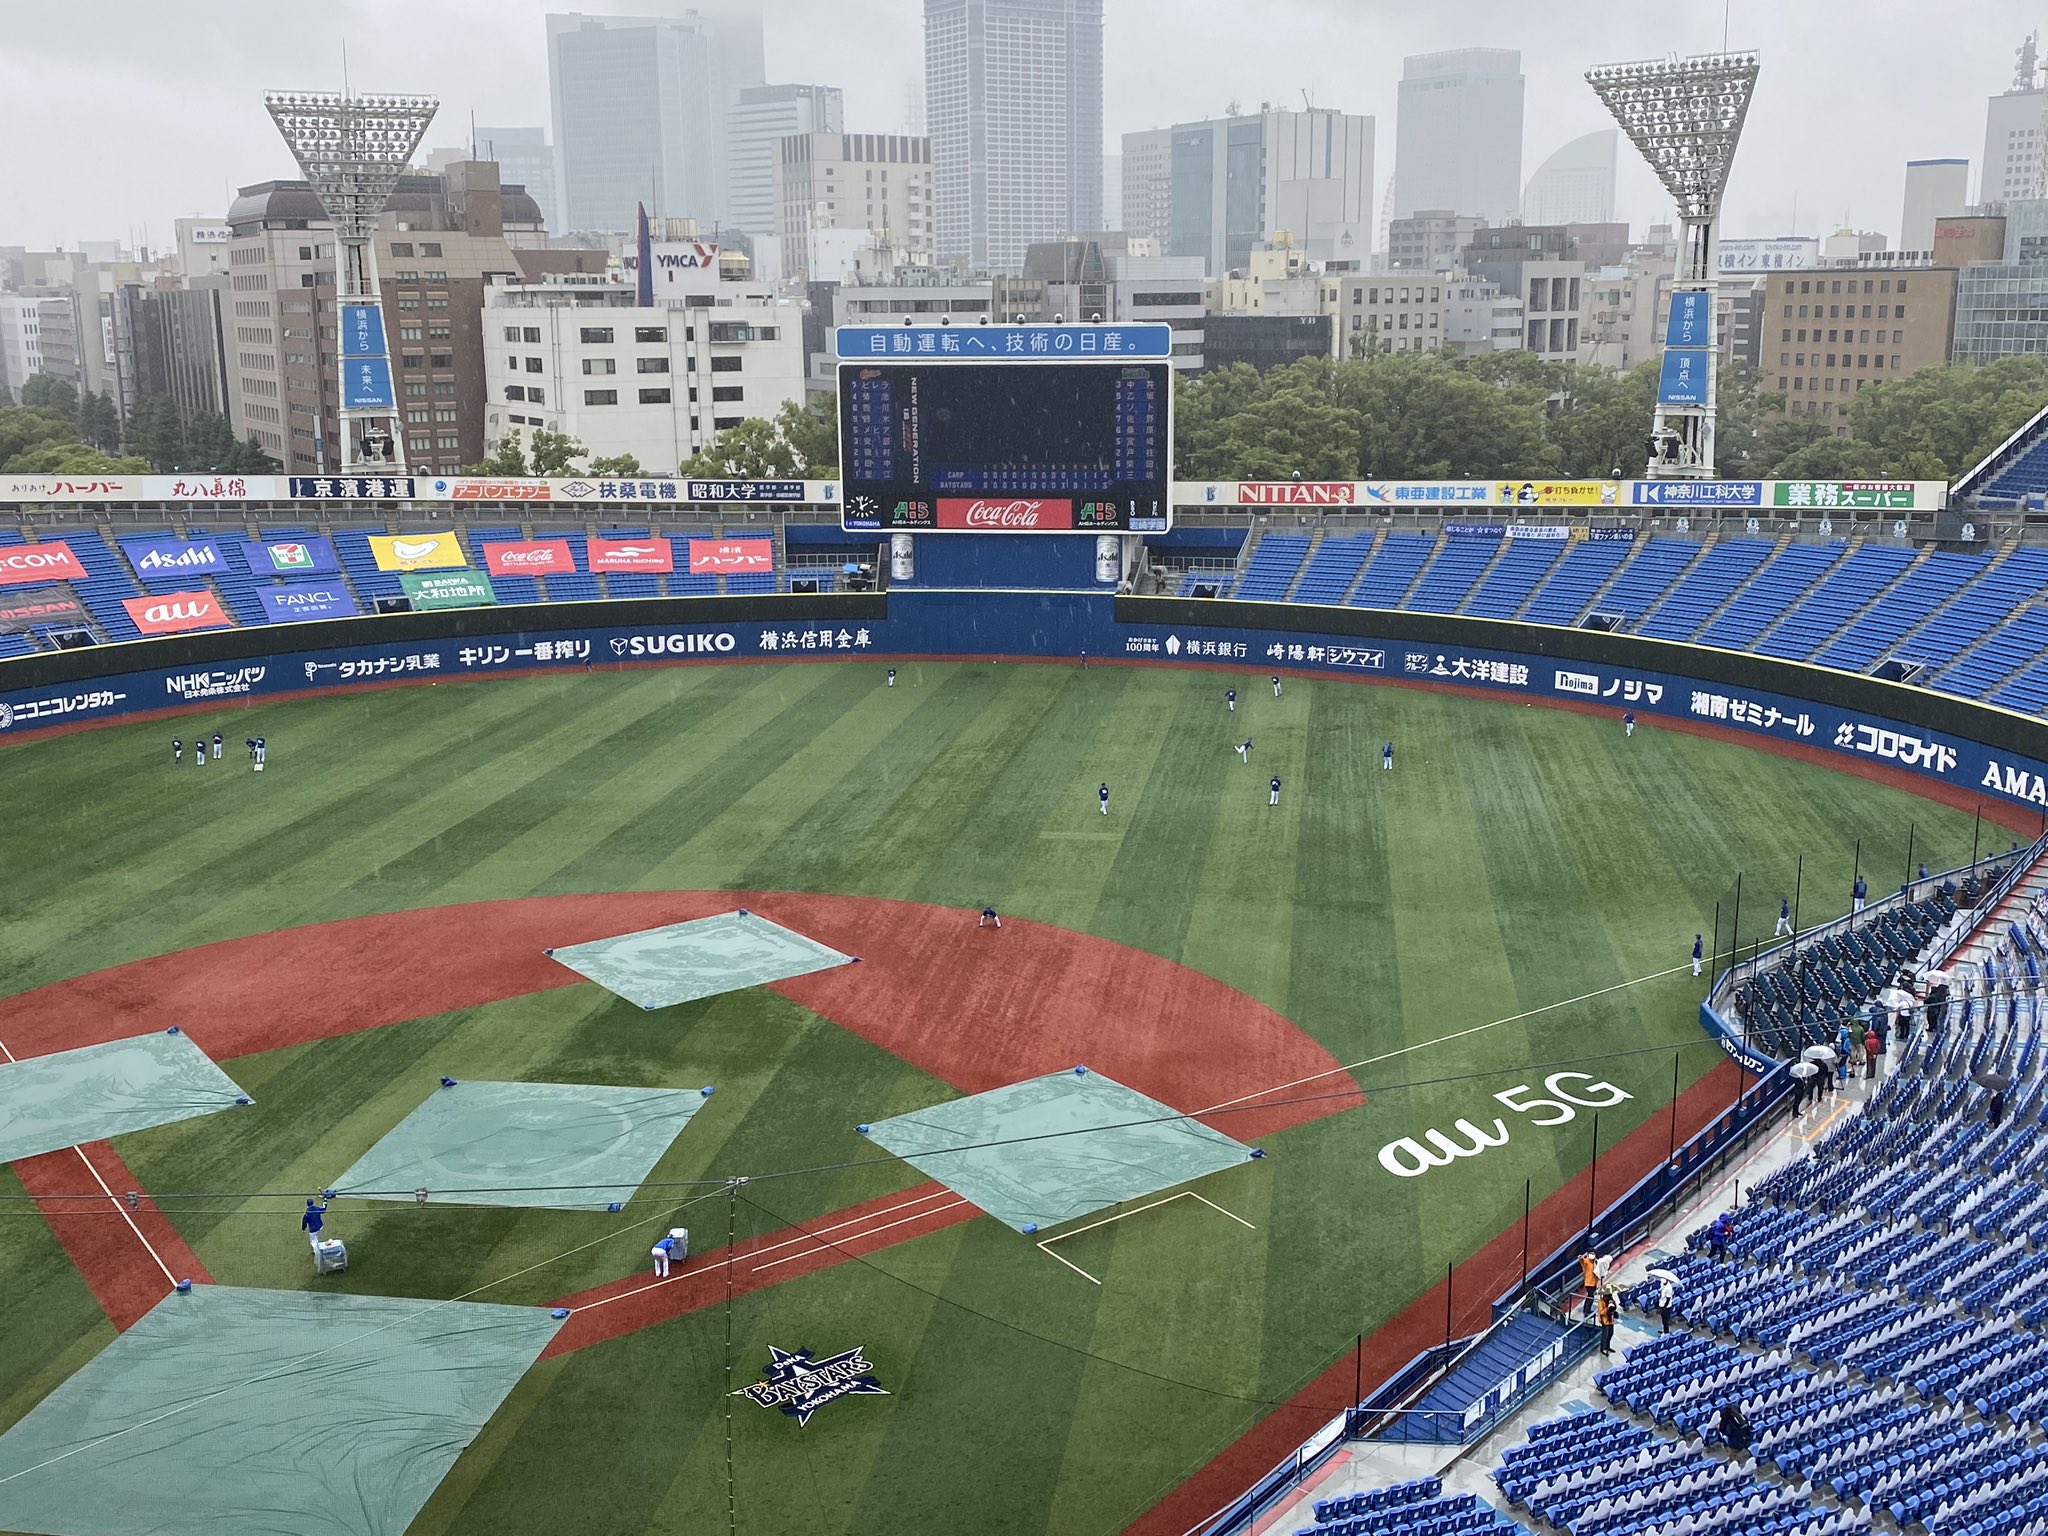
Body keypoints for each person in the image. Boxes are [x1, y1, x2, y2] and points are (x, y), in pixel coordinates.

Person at [1578, 1244, 1600, 1318]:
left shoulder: (1594, 1262)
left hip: (1593, 1282)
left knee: (1590, 1296)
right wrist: (1581, 1258)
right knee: (1590, 1296)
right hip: (1589, 1283)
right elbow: (1582, 1261)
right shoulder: (1587, 1261)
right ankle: (1586, 1311)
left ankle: (1587, 1310)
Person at [1595, 1286, 1617, 1355]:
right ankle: (1603, 1348)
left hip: (1611, 1319)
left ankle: (1608, 1346)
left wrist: (1613, 1303)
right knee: (1605, 1335)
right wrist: (1607, 1308)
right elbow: (1601, 1312)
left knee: (1611, 1333)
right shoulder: (1600, 1302)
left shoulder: (1611, 1300)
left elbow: (1615, 1308)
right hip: (1605, 1321)